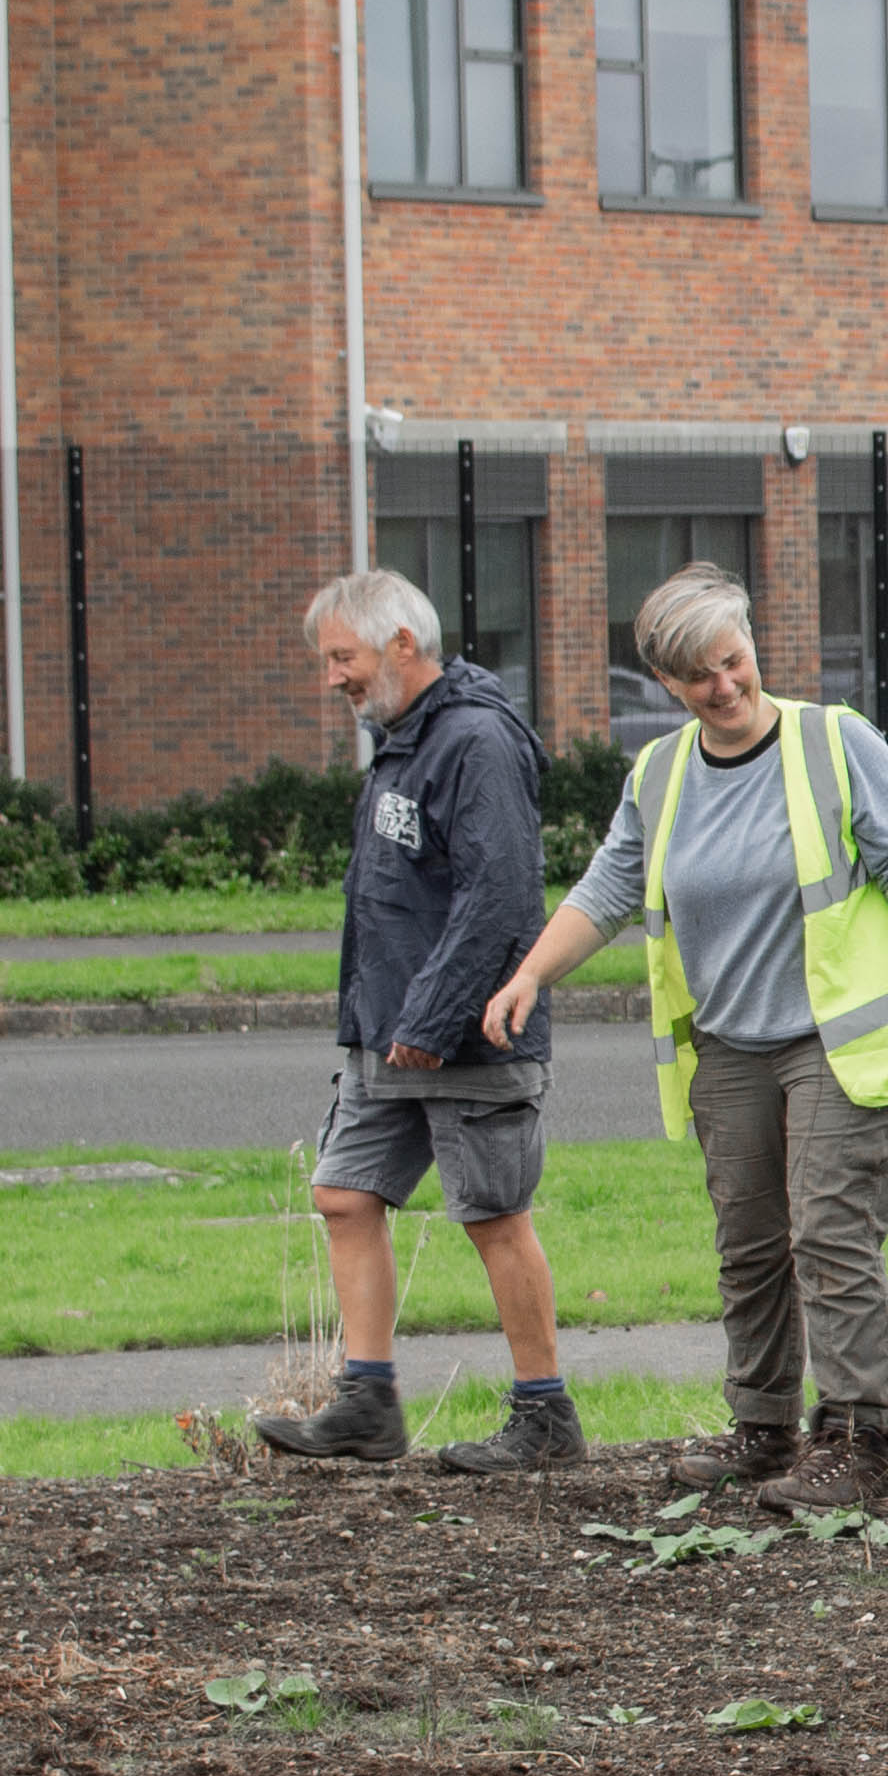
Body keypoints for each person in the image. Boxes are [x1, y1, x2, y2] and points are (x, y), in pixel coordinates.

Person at [478, 569, 888, 1513]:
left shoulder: (833, 742)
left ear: (753, 645)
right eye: (697, 676)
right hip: (729, 1047)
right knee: (751, 1246)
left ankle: (858, 1441)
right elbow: (607, 889)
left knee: (830, 1235)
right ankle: (764, 1432)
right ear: (666, 683)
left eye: (733, 661)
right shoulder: (661, 774)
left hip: (841, 1041)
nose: (724, 686)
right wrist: (528, 976)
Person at [265, 568, 582, 1470]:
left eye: (343, 657)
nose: (333, 677)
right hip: (387, 1030)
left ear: (402, 643)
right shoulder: (400, 737)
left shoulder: (475, 741)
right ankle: (368, 1406)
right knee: (343, 1194)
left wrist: (437, 1016)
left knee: (491, 1215)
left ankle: (546, 1417)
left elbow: (502, 897)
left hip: (467, 1030)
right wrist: (375, 1021)